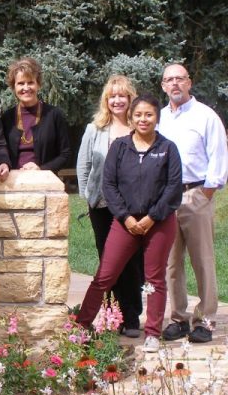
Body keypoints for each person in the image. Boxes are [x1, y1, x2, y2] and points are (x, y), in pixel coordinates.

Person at [76, 94, 182, 353]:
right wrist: (126, 217)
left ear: (157, 118)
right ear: (132, 117)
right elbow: (108, 186)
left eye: (149, 115)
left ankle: (153, 333)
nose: (143, 119)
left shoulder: (167, 148)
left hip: (158, 223)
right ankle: (80, 326)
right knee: (105, 275)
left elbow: (173, 189)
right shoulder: (120, 147)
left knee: (154, 279)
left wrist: (150, 218)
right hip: (125, 222)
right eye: (138, 115)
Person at [158, 64, 228, 343]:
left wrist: (207, 192)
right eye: (169, 80)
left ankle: (206, 320)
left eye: (180, 78)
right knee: (171, 264)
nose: (175, 84)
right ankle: (179, 318)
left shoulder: (205, 116)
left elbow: (218, 156)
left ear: (190, 82)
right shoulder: (159, 118)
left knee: (202, 260)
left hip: (196, 194)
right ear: (163, 86)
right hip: (166, 198)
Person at [77, 75, 144, 337]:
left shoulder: (138, 127)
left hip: (133, 209)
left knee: (132, 262)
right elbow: (84, 166)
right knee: (108, 264)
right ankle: (109, 315)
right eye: (112, 96)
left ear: (130, 99)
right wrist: (88, 197)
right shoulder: (95, 129)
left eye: (122, 95)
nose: (117, 100)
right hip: (102, 207)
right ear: (107, 100)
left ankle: (131, 317)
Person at [1, 57, 71, 171]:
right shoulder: (6, 118)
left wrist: (42, 168)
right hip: (13, 181)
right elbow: (0, 151)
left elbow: (65, 154)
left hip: (44, 181)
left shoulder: (54, 115)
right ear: (14, 87)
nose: (26, 88)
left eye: (30, 83)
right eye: (21, 83)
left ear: (38, 85)